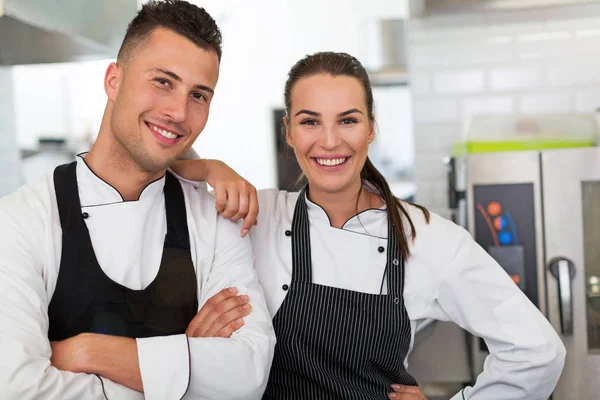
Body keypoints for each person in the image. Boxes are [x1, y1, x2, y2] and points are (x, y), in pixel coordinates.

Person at [173, 51, 566, 399]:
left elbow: (538, 351)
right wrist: (210, 167)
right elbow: (149, 168)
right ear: (289, 133)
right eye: (310, 122)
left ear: (371, 128)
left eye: (347, 120)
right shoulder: (259, 216)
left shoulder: (426, 237)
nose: (329, 141)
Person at [0, 1, 275, 399]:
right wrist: (182, 368)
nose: (178, 111)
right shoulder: (20, 221)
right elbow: (19, 389)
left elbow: (247, 375)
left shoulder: (216, 221)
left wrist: (86, 352)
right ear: (114, 79)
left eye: (198, 95)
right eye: (163, 81)